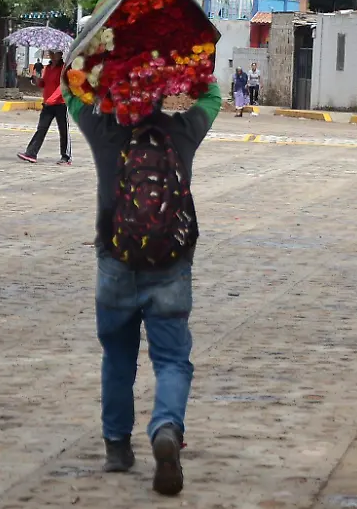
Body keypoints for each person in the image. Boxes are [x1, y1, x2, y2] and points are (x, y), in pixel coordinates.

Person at [67, 75, 222, 497]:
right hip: (171, 265)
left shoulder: (104, 132)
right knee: (172, 359)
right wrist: (191, 71)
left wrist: (90, 71)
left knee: (118, 358)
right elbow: (213, 96)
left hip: (115, 264)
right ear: (160, 93)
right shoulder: (183, 131)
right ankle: (166, 428)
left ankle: (117, 447)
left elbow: (70, 91)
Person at [17, 51, 72, 165]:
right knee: (41, 129)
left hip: (60, 104)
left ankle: (66, 157)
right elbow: (44, 84)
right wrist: (37, 80)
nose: (52, 54)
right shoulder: (47, 67)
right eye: (50, 52)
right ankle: (31, 153)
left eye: (54, 53)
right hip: (47, 104)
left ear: (61, 54)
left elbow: (63, 87)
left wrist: (51, 100)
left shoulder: (64, 68)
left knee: (63, 130)